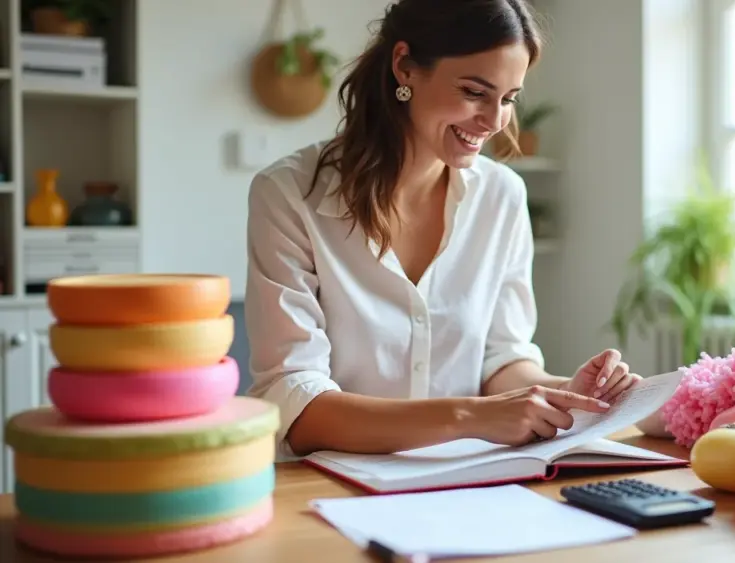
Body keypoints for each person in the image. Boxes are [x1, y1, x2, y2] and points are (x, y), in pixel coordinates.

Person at [244, 0, 642, 461]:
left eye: (509, 98)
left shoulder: (502, 197)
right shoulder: (288, 194)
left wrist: (563, 394)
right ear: (405, 67)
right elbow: (297, 405)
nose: (494, 121)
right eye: (475, 91)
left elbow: (502, 360)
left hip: (465, 480)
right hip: (327, 488)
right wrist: (471, 417)